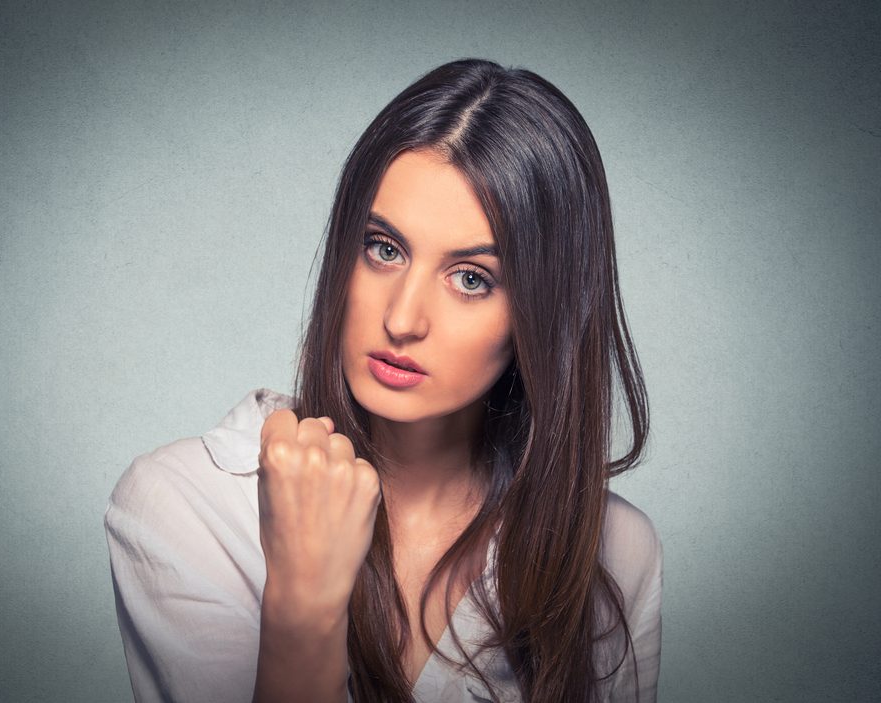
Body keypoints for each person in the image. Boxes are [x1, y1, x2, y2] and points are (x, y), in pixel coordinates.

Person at [105, 58, 662, 703]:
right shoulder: (187, 503)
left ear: (543, 313)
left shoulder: (617, 551)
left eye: (472, 278)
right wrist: (305, 601)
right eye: (384, 249)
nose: (401, 319)